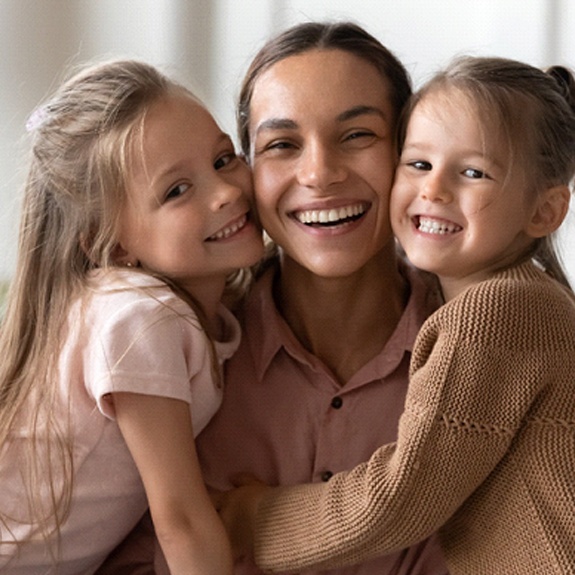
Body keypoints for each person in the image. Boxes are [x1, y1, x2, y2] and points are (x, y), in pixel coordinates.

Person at [215, 56, 575, 574]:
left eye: (473, 172)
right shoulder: (203, 335)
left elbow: (402, 496)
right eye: (420, 164)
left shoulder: (497, 312)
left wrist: (253, 516)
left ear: (544, 211)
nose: (434, 191)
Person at [192, 21, 449, 575]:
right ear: (249, 173)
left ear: (410, 152)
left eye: (357, 135)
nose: (319, 174)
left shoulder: (482, 356)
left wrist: (263, 522)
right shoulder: (186, 352)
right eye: (282, 144)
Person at [0, 58, 263, 574]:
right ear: (116, 249)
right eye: (177, 190)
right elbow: (182, 521)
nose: (227, 192)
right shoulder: (142, 320)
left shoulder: (197, 308)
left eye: (224, 159)